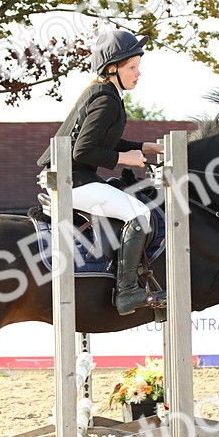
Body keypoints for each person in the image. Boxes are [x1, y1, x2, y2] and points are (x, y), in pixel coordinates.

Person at [37, 29, 166, 315]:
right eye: (132, 67)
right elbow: (82, 151)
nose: (138, 73)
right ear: (112, 69)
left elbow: (104, 142)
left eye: (138, 66)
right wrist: (125, 158)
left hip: (74, 177)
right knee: (139, 214)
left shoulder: (106, 93)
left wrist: (143, 147)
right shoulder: (106, 99)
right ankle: (127, 291)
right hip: (71, 180)